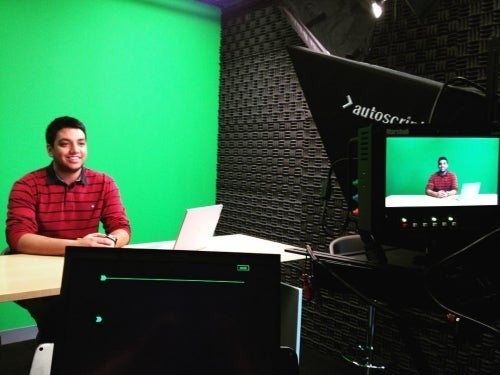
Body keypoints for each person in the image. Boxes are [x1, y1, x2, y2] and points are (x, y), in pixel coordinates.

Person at [5, 115, 131, 342]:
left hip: (81, 266)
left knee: (118, 308)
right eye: (65, 143)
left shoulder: (104, 182)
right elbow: (18, 238)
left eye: (81, 143)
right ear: (50, 149)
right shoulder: (26, 185)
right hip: (35, 270)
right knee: (60, 318)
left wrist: (110, 241)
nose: (75, 150)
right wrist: (78, 246)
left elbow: (121, 228)